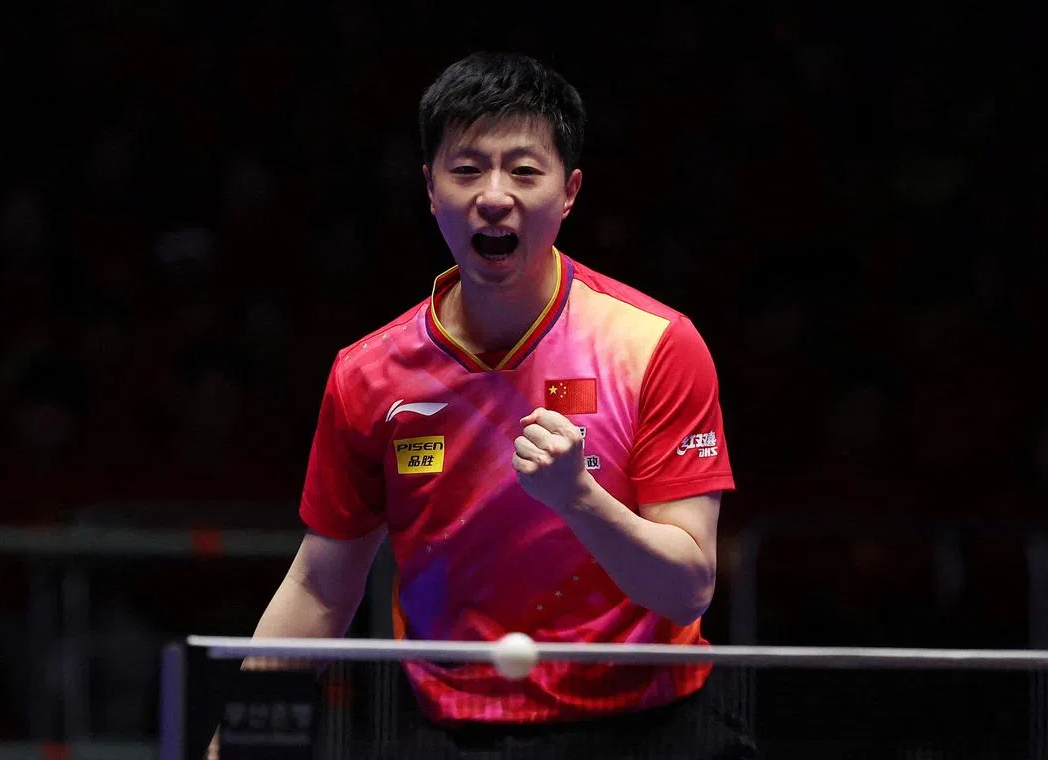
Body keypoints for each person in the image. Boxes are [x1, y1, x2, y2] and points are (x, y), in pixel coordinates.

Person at [215, 51, 756, 759]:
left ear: (569, 192)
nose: (494, 196)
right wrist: (237, 741)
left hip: (651, 725)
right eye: (467, 170)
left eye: (524, 171)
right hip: (455, 730)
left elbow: (688, 590)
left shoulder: (654, 345)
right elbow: (319, 589)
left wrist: (578, 499)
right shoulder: (369, 375)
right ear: (430, 188)